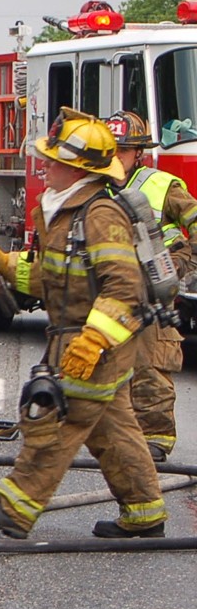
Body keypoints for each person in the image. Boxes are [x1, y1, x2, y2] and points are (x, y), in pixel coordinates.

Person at [0, 107, 166, 539]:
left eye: (54, 161)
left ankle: (17, 509)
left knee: (56, 420)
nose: (46, 166)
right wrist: (10, 266)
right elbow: (59, 278)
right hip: (77, 338)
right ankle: (144, 513)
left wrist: (93, 340)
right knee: (112, 430)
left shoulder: (99, 215)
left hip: (95, 343)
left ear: (78, 169)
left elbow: (124, 288)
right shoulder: (66, 211)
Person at [106, 109, 195, 462]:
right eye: (110, 150)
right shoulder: (97, 188)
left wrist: (188, 263)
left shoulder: (160, 185)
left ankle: (156, 440)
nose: (116, 158)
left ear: (138, 153)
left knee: (150, 362)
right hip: (113, 289)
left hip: (154, 285)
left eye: (123, 150)